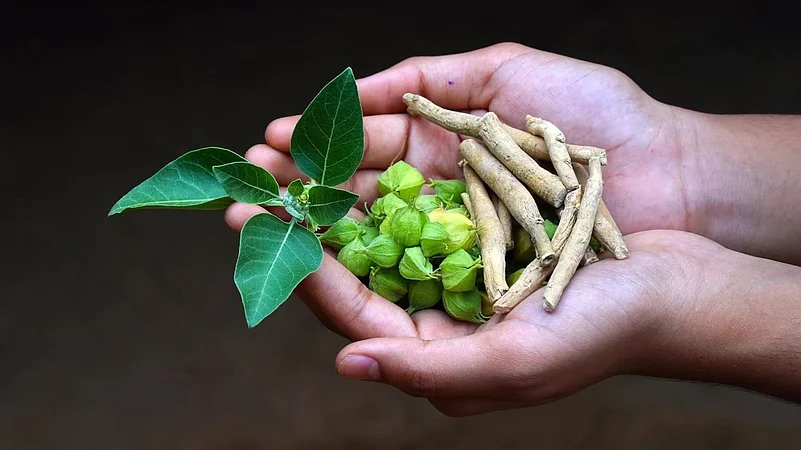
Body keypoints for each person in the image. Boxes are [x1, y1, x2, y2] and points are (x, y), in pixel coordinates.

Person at [224, 42, 801, 417]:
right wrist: (688, 167)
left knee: (537, 215)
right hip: (510, 218)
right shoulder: (466, 198)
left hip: (529, 211)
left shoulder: (510, 176)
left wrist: (676, 304)